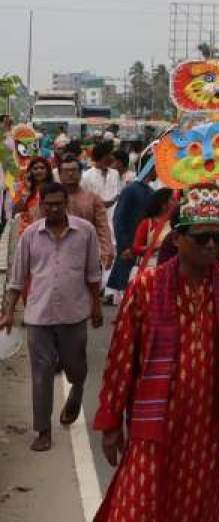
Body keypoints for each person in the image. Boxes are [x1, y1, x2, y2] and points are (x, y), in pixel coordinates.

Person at [91, 188, 219, 522]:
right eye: (201, 239)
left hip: (211, 421)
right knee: (137, 505)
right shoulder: (147, 285)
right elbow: (122, 357)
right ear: (177, 238)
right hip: (156, 417)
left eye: (216, 238)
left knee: (198, 504)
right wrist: (111, 421)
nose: (212, 246)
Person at [0, 182, 103, 452]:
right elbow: (17, 278)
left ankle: (76, 392)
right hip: (39, 316)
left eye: (59, 203)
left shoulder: (86, 232)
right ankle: (43, 430)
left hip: (74, 314)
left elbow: (93, 273)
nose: (54, 208)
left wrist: (96, 306)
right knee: (41, 374)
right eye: (49, 204)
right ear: (41, 205)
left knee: (75, 367)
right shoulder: (30, 235)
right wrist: (8, 312)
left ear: (66, 202)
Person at [40, 156, 114, 270]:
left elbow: (102, 227)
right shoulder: (48, 199)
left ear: (80, 173)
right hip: (53, 256)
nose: (70, 174)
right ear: (59, 174)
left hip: (86, 255)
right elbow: (38, 226)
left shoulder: (93, 199)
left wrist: (106, 251)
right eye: (66, 171)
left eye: (73, 170)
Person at [103, 165, 155, 303]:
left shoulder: (150, 190)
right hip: (128, 243)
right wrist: (124, 245)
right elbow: (118, 218)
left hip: (140, 245)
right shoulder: (131, 189)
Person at [129, 188, 176, 274]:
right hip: (149, 270)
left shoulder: (176, 224)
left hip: (169, 271)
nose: (176, 202)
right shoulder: (147, 223)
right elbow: (136, 248)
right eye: (172, 199)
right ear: (163, 204)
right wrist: (156, 247)